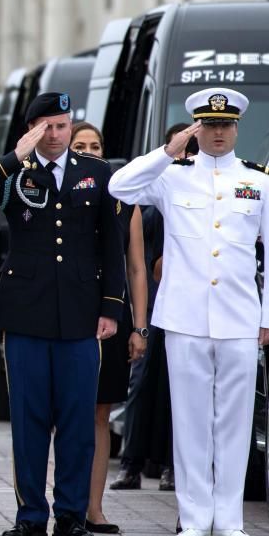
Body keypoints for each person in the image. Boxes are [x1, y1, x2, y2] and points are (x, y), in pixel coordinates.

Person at [109, 87, 269, 536]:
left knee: (233, 420)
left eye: (225, 126)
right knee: (188, 420)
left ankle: (228, 520)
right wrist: (168, 150)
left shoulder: (260, 182)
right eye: (209, 125)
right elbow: (120, 186)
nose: (218, 134)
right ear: (197, 129)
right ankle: (193, 518)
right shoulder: (173, 175)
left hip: (239, 316)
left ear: (236, 129)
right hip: (185, 316)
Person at [0, 92, 125, 536]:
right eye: (46, 126)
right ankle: (31, 513)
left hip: (80, 314)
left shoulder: (96, 172)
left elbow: (110, 246)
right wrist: (13, 157)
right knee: (29, 420)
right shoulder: (17, 172)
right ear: (31, 129)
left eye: (62, 125)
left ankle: (71, 514)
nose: (56, 134)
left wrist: (112, 306)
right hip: (27, 313)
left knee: (76, 420)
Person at [69, 122, 148, 534]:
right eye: (79, 145)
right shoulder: (61, 194)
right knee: (66, 414)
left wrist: (139, 327)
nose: (88, 151)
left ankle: (94, 507)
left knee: (101, 413)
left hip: (112, 318)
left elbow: (136, 267)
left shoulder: (124, 198)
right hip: (68, 315)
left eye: (94, 146)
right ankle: (65, 503)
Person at [111, 122, 189, 493]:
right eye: (180, 151)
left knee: (178, 387)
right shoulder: (157, 196)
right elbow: (146, 261)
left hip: (190, 306)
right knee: (141, 384)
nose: (186, 159)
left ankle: (174, 464)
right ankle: (131, 462)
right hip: (158, 301)